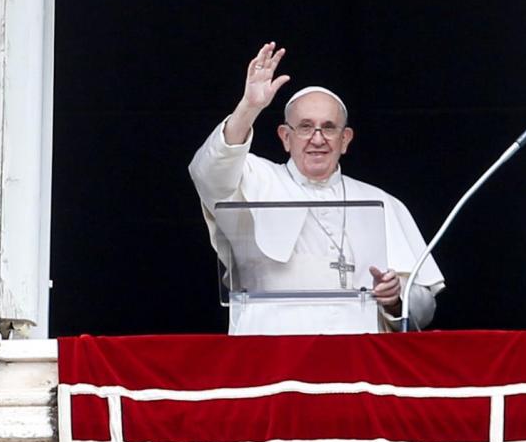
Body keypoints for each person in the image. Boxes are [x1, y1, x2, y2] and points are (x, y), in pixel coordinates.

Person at [189, 42, 444, 335]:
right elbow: (208, 172)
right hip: (271, 357)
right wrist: (249, 108)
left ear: (345, 139)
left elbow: (424, 308)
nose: (318, 139)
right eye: (305, 127)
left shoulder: (382, 202)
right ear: (285, 137)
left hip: (357, 363)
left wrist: (397, 300)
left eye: (329, 127)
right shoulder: (255, 178)